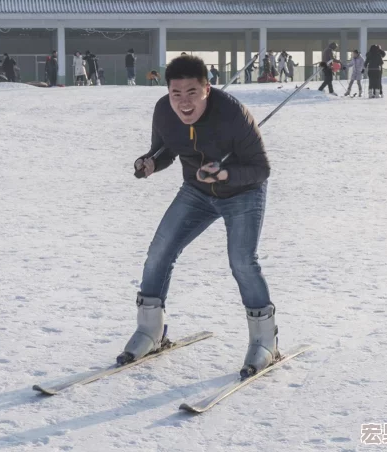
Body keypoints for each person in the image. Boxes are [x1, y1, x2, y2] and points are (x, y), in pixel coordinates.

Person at [117, 55, 277, 379]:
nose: (184, 102)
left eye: (192, 92)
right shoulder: (164, 111)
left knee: (242, 261)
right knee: (159, 251)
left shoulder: (234, 116)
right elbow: (164, 150)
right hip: (197, 191)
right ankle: (150, 331)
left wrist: (225, 174)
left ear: (207, 88)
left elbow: (262, 169)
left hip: (243, 193)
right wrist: (150, 163)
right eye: (177, 93)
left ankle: (264, 341)